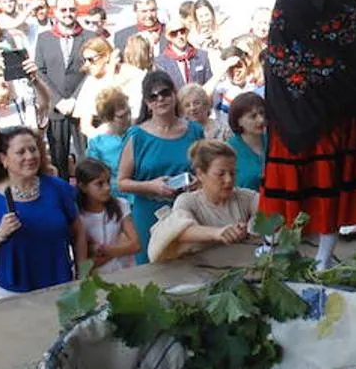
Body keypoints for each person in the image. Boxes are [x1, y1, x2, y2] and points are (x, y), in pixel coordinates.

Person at [260, 0, 356, 270]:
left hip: (293, 114)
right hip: (338, 118)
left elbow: (277, 65)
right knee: (331, 187)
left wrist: (282, 114)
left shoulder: (287, 1)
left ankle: (281, 255)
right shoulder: (355, 7)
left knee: (288, 185)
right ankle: (324, 260)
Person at [0, 127, 86, 298]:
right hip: (10, 294)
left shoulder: (56, 188)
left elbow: (78, 232)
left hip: (60, 287)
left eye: (33, 149)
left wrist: (82, 274)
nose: (30, 157)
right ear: (3, 159)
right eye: (21, 152)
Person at [116, 71, 205, 264]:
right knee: (151, 269)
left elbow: (205, 170)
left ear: (174, 95)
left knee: (190, 265)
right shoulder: (137, 136)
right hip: (149, 211)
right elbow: (121, 182)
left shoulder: (195, 130)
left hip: (186, 208)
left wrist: (198, 181)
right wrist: (151, 186)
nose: (160, 99)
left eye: (165, 93)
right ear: (147, 103)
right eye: (153, 96)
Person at [147, 139, 259, 263]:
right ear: (200, 174)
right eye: (221, 174)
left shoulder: (246, 197)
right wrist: (218, 233)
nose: (228, 180)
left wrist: (249, 230)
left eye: (232, 173)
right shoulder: (188, 201)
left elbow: (267, 212)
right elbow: (179, 231)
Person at [33, 0, 87, 178]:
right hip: (55, 109)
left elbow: (93, 71)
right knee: (58, 159)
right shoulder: (44, 39)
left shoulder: (89, 37)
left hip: (81, 107)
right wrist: (57, 101)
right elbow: (39, 72)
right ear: (55, 12)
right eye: (63, 10)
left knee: (86, 159)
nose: (68, 13)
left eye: (72, 9)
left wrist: (75, 99)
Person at [75, 158, 139, 274]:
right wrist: (121, 248)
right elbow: (84, 266)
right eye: (99, 184)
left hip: (124, 273)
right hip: (97, 279)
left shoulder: (120, 205)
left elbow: (135, 245)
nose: (107, 188)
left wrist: (105, 250)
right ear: (83, 187)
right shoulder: (79, 216)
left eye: (108, 181)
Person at [84, 87, 132, 183]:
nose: (128, 119)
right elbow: (94, 179)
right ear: (108, 118)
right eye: (122, 116)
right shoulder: (97, 143)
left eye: (129, 113)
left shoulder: (136, 134)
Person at [226, 91, 265, 191]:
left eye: (262, 113)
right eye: (253, 116)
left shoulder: (274, 142)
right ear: (238, 121)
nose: (261, 119)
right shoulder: (228, 150)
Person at [156, 23, 214, 88]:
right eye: (174, 33)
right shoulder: (160, 63)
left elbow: (209, 84)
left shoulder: (202, 56)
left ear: (187, 32)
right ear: (168, 36)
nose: (180, 36)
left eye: (182, 31)